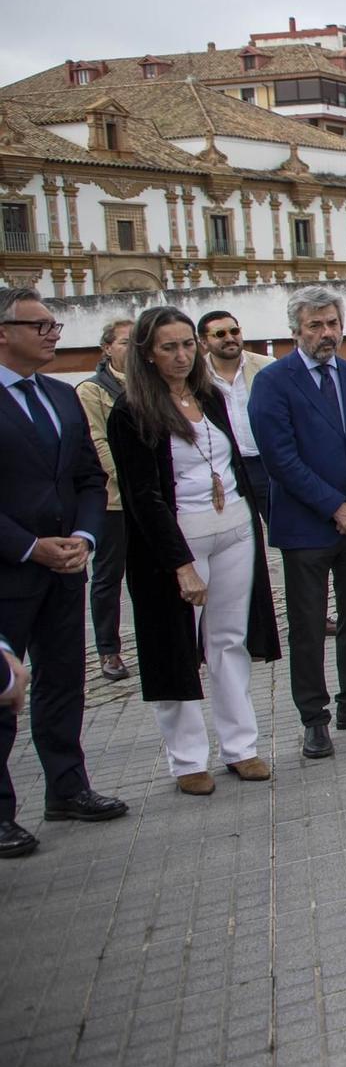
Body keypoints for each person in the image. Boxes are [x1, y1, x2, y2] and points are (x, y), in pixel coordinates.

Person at [107, 307, 281, 795]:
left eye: (187, 344)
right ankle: (186, 759)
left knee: (228, 640)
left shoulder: (207, 395)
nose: (182, 355)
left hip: (233, 529)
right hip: (176, 540)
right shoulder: (132, 411)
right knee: (175, 646)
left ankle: (240, 746)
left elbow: (233, 463)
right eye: (169, 347)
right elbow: (143, 495)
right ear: (147, 353)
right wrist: (180, 564)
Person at [0, 287, 127, 857]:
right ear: (4, 332)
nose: (54, 333)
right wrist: (30, 547)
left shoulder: (59, 394)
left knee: (63, 679)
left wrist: (82, 536)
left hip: (66, 564)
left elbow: (87, 477)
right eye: (42, 325)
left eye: (55, 324)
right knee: (4, 687)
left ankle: (67, 786)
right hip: (10, 567)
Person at [249, 287, 346, 761]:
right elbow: (280, 458)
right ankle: (313, 718)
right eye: (315, 325)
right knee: (309, 625)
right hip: (307, 526)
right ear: (296, 330)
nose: (326, 333)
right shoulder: (274, 382)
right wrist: (334, 506)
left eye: (333, 323)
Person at [77, 318, 133, 680]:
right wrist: (133, 482)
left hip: (156, 499)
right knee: (109, 577)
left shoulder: (153, 383)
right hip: (117, 500)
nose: (133, 348)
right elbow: (98, 443)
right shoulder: (93, 390)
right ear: (108, 348)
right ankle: (109, 650)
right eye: (126, 342)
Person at [198, 310, 275, 518]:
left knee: (282, 529)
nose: (230, 338)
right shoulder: (195, 376)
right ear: (204, 342)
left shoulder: (267, 367)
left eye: (234, 331)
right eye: (220, 334)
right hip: (224, 468)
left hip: (265, 464)